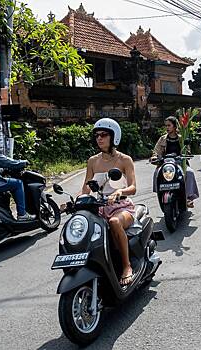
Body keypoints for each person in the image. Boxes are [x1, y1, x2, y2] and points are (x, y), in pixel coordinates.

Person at [79, 118, 136, 286]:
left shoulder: (125, 160)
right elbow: (86, 189)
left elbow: (133, 187)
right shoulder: (92, 161)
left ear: (114, 137)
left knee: (114, 222)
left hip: (123, 207)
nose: (99, 138)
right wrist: (73, 202)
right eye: (96, 135)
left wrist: (119, 191)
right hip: (100, 208)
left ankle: (126, 266)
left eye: (103, 135)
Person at [151, 116, 199, 208]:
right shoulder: (162, 139)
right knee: (157, 172)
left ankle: (188, 197)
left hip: (179, 163)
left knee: (189, 172)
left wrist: (186, 153)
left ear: (175, 126)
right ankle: (161, 192)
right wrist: (154, 157)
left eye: (169, 125)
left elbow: (188, 151)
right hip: (165, 164)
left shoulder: (181, 138)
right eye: (166, 126)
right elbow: (156, 151)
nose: (167, 128)